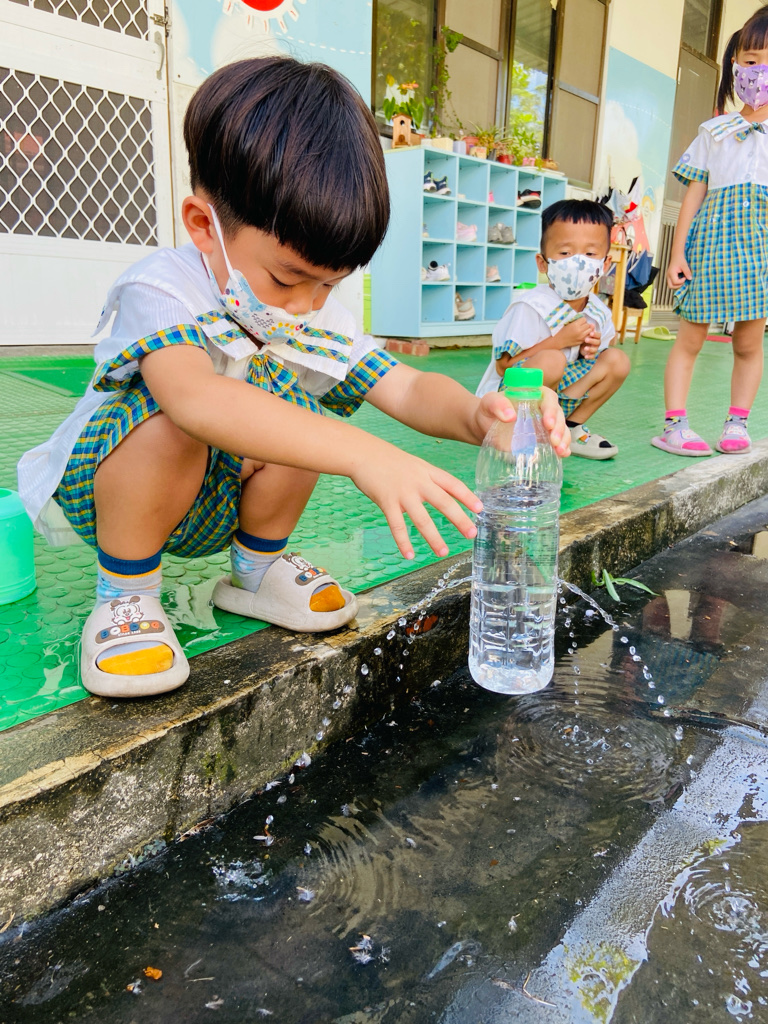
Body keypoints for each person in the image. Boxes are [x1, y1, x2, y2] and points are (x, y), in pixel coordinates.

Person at [17, 57, 570, 700]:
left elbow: (406, 386)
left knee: (302, 410)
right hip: (113, 490)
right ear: (203, 226)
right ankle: (126, 595)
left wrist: (482, 415)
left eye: (330, 284)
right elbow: (194, 399)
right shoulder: (162, 288)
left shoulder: (309, 310)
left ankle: (255, 572)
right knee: (179, 420)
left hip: (219, 496)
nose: (307, 304)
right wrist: (364, 452)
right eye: (287, 277)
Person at [653, 6, 768, 457]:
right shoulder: (714, 131)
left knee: (748, 343)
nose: (760, 72)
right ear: (735, 65)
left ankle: (737, 423)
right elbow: (694, 194)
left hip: (759, 255)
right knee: (690, 340)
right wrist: (677, 252)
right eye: (752, 60)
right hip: (709, 250)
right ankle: (674, 424)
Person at [476, 199, 630, 459]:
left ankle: (569, 428)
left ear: (605, 264)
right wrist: (559, 341)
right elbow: (504, 367)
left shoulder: (598, 312)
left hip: (557, 398)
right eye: (565, 253)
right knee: (552, 360)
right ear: (543, 263)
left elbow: (599, 358)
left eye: (590, 254)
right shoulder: (530, 307)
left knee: (617, 360)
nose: (578, 262)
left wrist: (590, 351)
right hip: (508, 402)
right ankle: (516, 433)